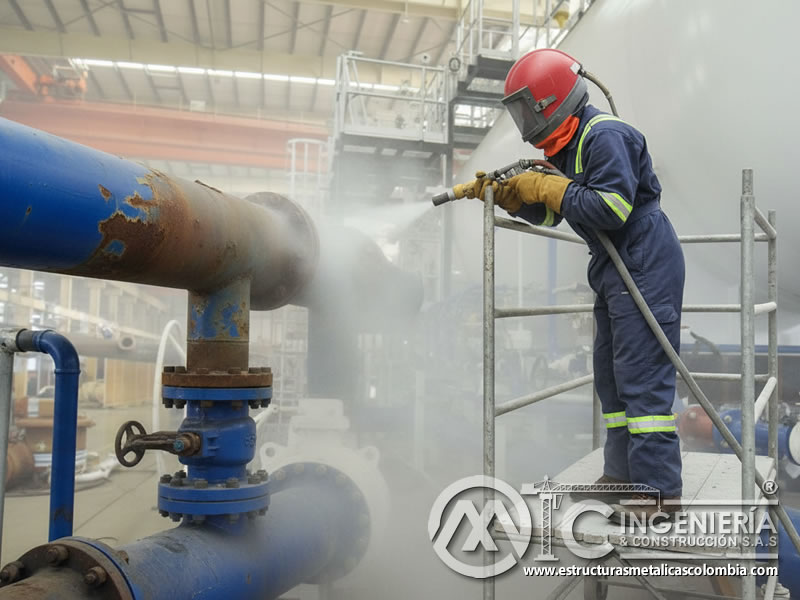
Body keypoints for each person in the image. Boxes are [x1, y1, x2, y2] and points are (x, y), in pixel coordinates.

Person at [477, 49, 685, 519]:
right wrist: (516, 199)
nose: (525, 120)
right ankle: (621, 474)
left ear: (552, 101)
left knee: (641, 376)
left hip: (644, 258)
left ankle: (657, 493)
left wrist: (550, 187)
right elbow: (557, 211)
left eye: (528, 108)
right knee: (611, 376)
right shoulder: (567, 146)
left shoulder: (606, 135)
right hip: (614, 264)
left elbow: (611, 208)